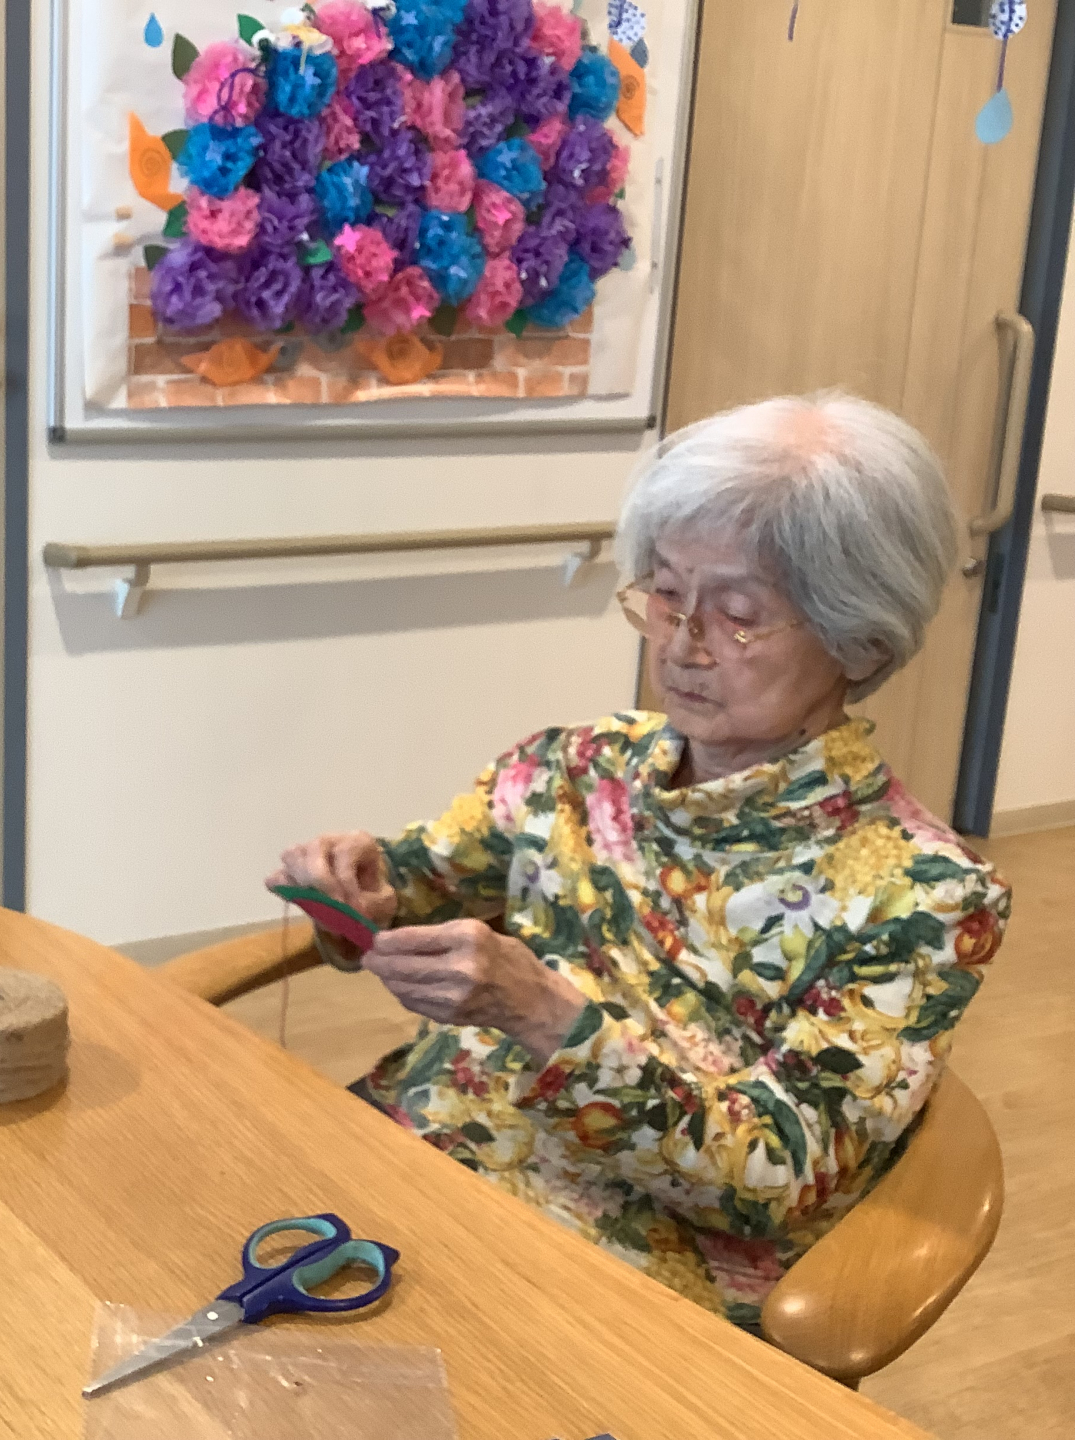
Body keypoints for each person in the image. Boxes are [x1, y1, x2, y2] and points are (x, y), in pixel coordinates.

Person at [268, 394, 1009, 1329]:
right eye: (665, 594)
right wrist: (359, 885)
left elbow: (776, 1177)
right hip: (408, 1158)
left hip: (623, 1275)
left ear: (859, 638)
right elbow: (422, 879)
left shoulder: (924, 896)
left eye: (738, 614)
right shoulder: (577, 766)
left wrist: (549, 1019)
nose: (682, 645)